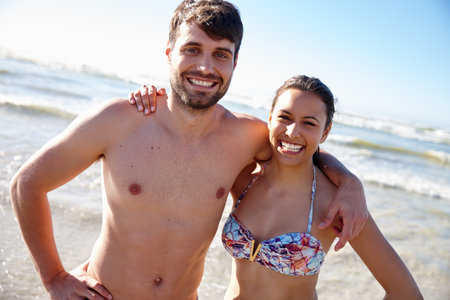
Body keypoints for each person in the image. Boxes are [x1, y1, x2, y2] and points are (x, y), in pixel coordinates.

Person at [10, 1, 367, 299]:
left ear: (234, 63)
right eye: (192, 49)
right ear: (169, 54)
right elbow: (27, 183)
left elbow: (296, 148)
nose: (205, 67)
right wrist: (54, 276)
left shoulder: (247, 136)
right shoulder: (118, 120)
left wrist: (350, 183)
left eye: (220, 54)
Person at [219, 75, 422, 299]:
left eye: (309, 123)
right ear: (270, 119)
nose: (292, 132)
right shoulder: (244, 178)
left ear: (325, 132)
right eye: (285, 117)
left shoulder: (337, 205)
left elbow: (405, 293)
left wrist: (350, 181)